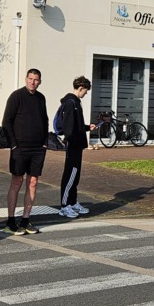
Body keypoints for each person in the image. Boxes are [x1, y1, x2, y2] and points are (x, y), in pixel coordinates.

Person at [2, 68, 49, 235]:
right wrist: (14, 145)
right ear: (26, 79)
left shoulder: (41, 98)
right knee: (16, 182)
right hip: (20, 148)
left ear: (40, 81)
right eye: (30, 79)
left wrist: (44, 143)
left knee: (33, 183)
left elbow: (45, 120)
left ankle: (25, 220)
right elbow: (6, 122)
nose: (33, 82)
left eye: (36, 79)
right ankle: (10, 221)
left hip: (38, 149)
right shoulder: (17, 96)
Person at [59, 77, 97, 218]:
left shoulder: (75, 102)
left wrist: (86, 127)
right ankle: (64, 206)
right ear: (81, 88)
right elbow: (69, 127)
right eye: (85, 91)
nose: (86, 94)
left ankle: (72, 202)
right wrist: (72, 140)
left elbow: (76, 124)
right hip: (73, 145)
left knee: (75, 176)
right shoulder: (71, 103)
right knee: (70, 175)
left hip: (76, 144)